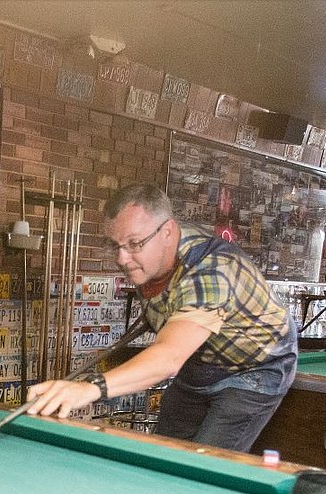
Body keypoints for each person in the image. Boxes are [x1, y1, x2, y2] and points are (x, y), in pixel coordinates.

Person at [25, 182, 298, 452]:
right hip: (200, 365)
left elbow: (168, 359)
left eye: (134, 244)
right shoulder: (150, 261)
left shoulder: (211, 271)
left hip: (253, 369)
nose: (122, 258)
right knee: (164, 452)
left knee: (202, 469)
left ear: (167, 231)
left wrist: (89, 388)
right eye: (115, 246)